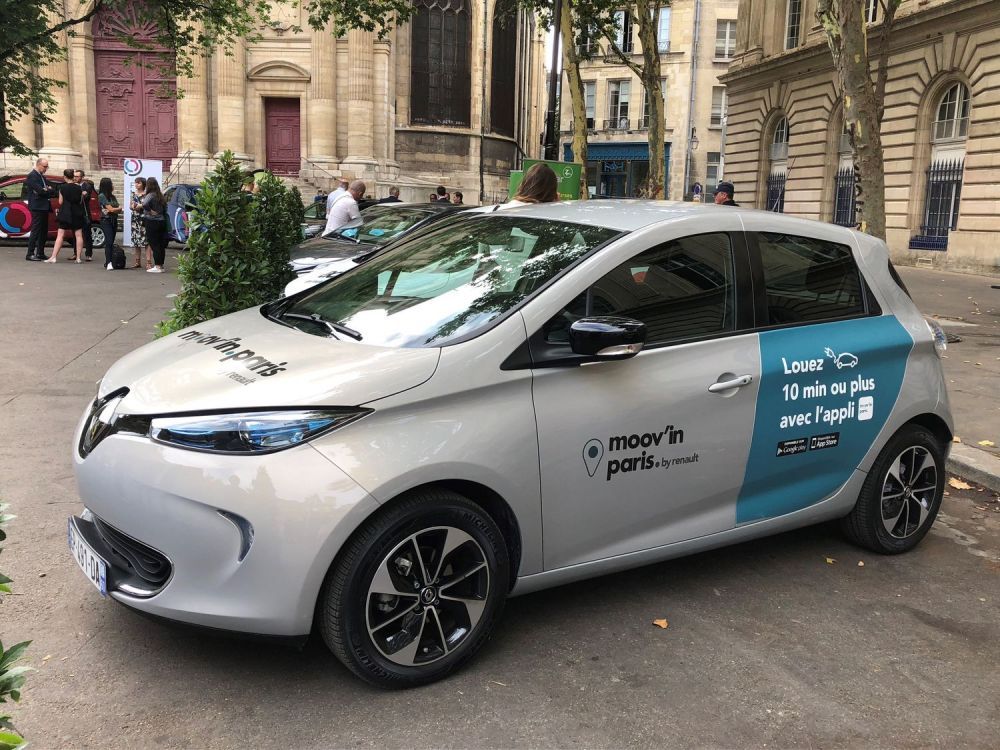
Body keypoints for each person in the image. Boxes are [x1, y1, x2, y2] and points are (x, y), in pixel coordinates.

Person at [45, 169, 86, 262]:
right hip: (77, 212)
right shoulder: (79, 188)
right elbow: (80, 201)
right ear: (73, 176)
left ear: (65, 177)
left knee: (60, 235)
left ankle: (53, 257)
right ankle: (78, 258)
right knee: (78, 235)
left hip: (65, 212)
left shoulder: (62, 188)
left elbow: (60, 202)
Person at [25, 157, 55, 261]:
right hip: (37, 207)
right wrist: (46, 190)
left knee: (43, 231)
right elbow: (41, 191)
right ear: (38, 165)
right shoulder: (32, 176)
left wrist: (47, 189)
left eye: (47, 166)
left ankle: (40, 252)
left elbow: (50, 188)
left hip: (44, 206)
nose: (46, 168)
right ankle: (30, 253)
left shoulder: (41, 176)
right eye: (45, 166)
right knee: (36, 230)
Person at [142, 176, 168, 273]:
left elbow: (144, 204)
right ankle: (161, 265)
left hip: (152, 221)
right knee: (161, 244)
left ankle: (157, 266)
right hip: (161, 221)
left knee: (154, 244)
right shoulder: (160, 195)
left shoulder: (150, 195)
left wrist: (150, 211)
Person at [97, 177, 123, 269]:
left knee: (111, 241)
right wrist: (116, 209)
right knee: (109, 241)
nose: (113, 185)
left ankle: (111, 260)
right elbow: (110, 209)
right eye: (111, 184)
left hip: (114, 220)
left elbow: (118, 209)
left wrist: (115, 209)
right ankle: (108, 262)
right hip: (106, 220)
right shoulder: (101, 196)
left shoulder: (112, 197)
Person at [75, 169, 96, 261]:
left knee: (87, 234)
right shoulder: (72, 185)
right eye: (74, 176)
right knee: (74, 234)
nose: (75, 178)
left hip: (84, 213)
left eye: (77, 176)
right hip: (75, 212)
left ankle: (88, 254)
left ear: (82, 177)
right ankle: (76, 253)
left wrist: (81, 193)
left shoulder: (87, 186)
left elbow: (86, 197)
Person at [130, 177, 147, 268]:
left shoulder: (146, 194)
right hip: (135, 219)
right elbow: (130, 205)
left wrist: (139, 206)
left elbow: (147, 206)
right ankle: (137, 262)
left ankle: (148, 262)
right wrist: (133, 206)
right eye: (136, 183)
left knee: (146, 241)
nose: (136, 185)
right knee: (136, 241)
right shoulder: (133, 194)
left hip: (144, 219)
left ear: (143, 184)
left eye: (139, 183)